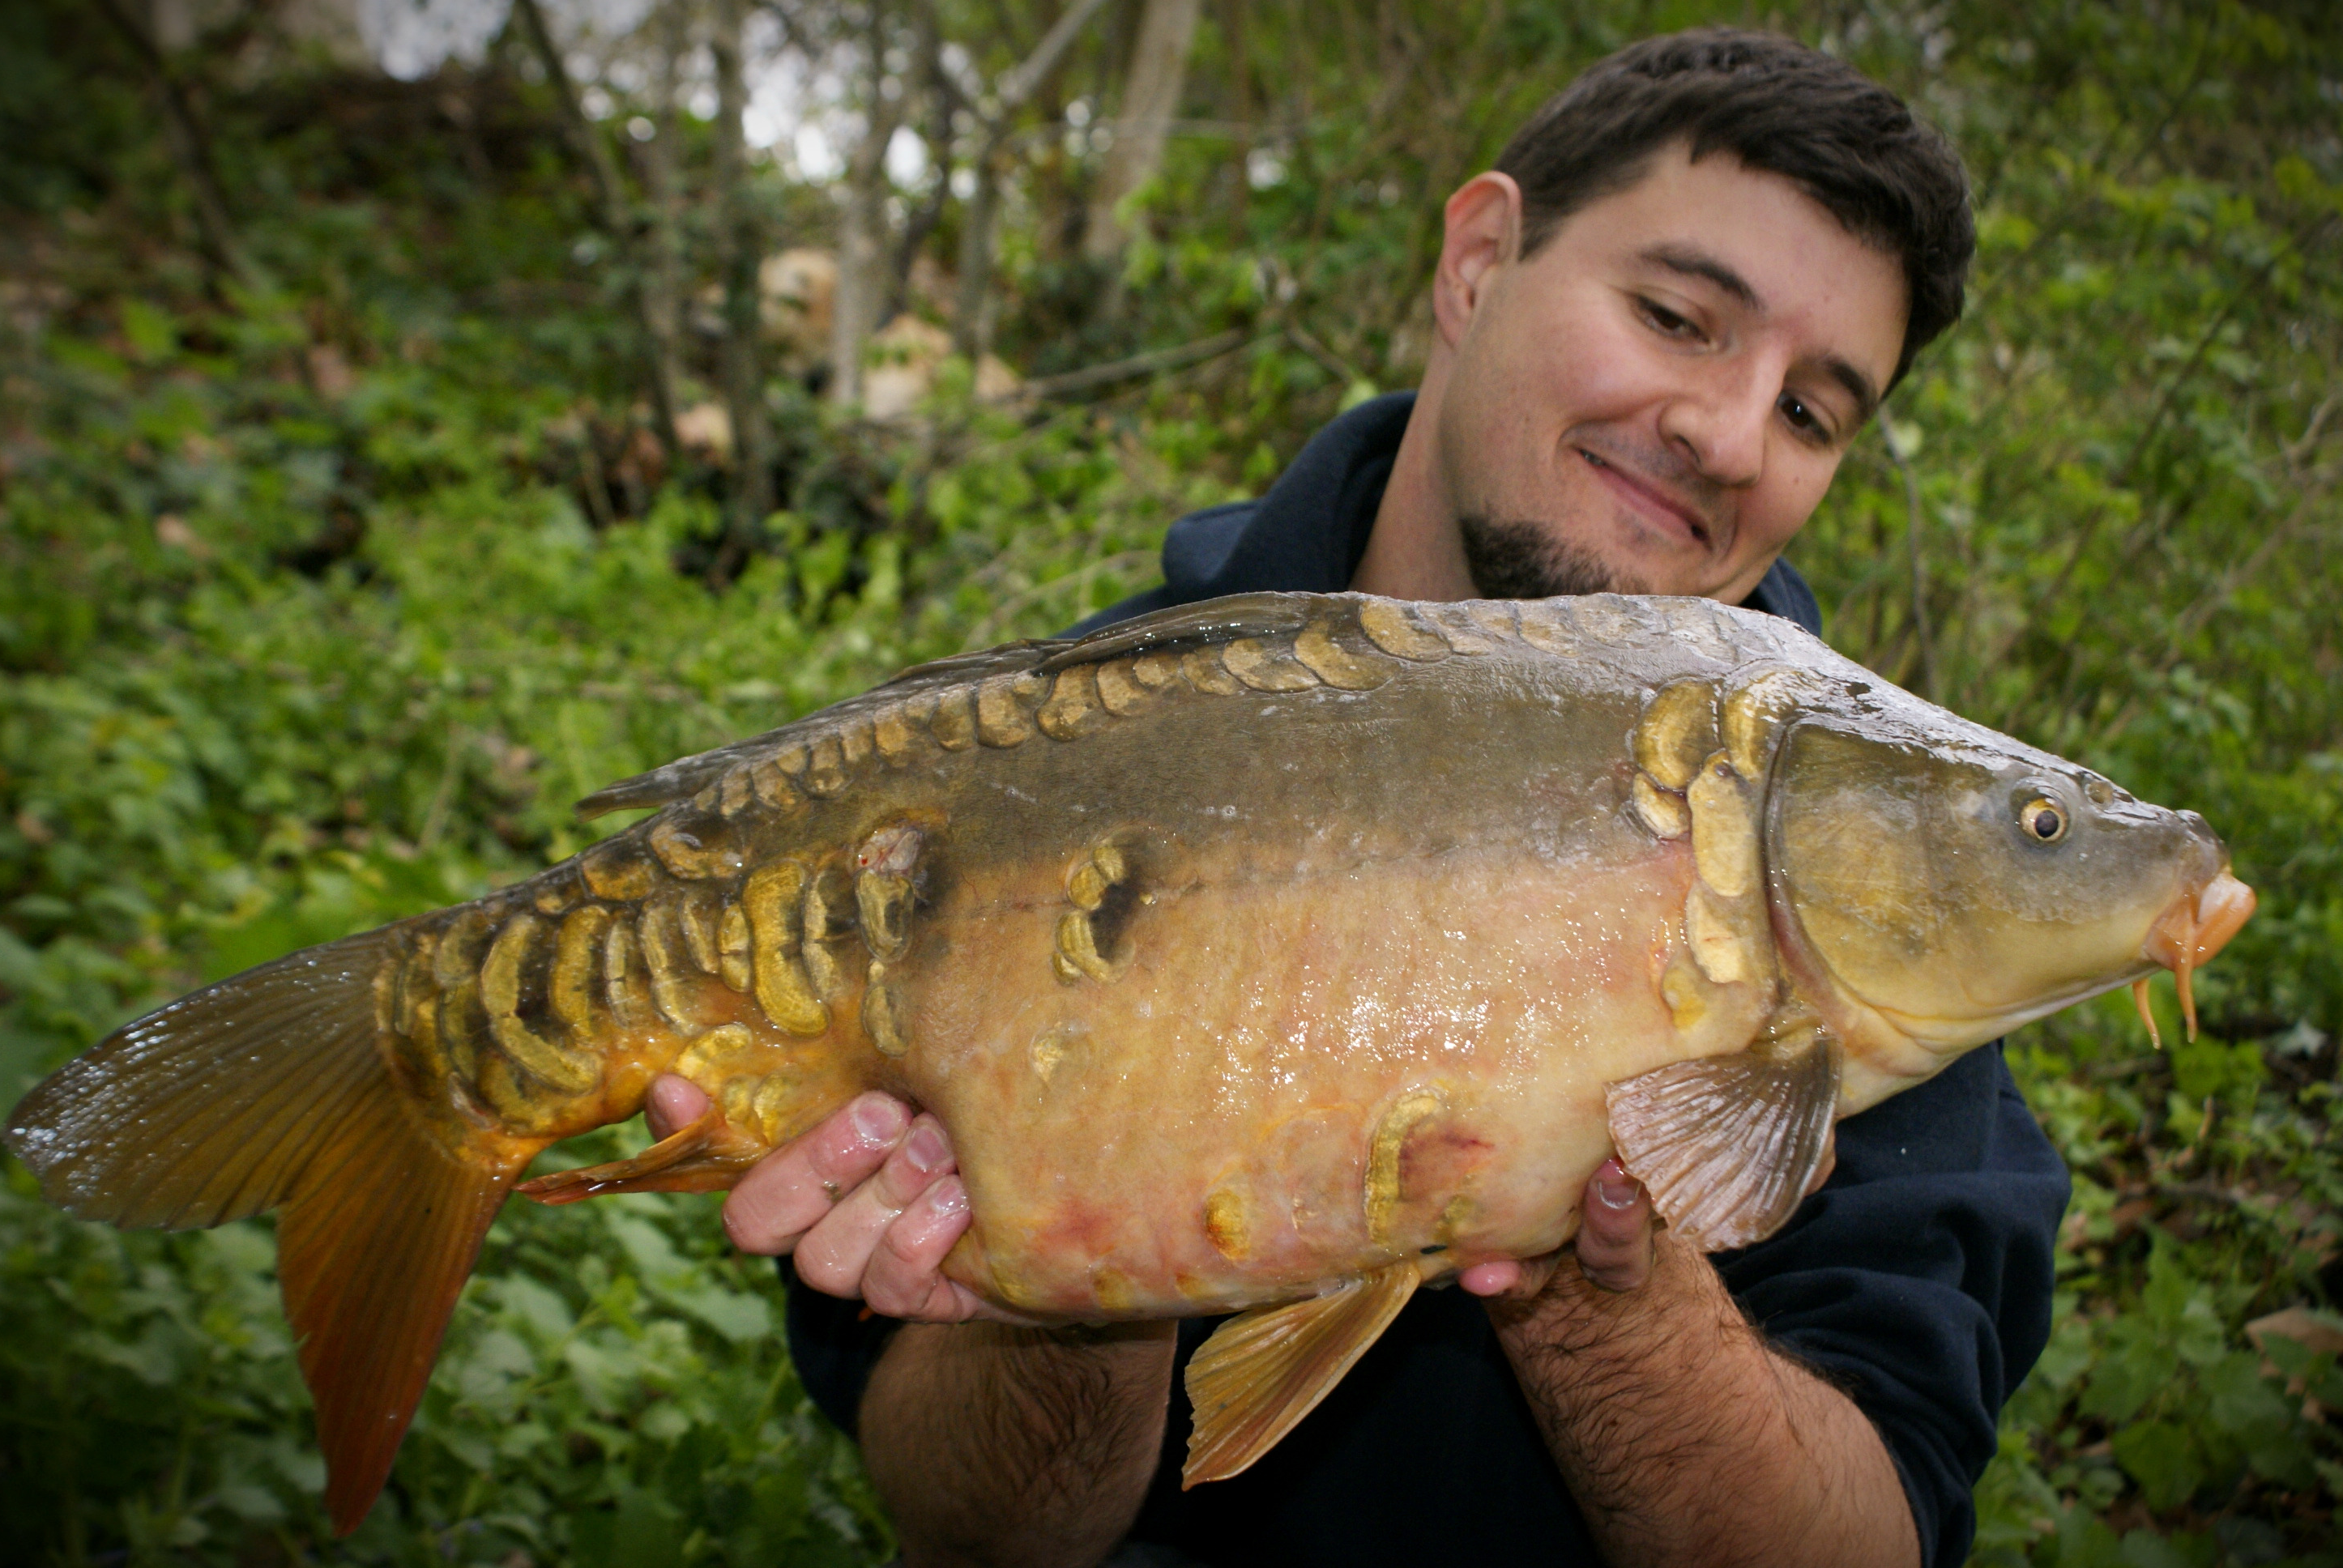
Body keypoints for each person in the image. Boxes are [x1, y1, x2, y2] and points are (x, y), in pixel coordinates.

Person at [647, 28, 2069, 1568]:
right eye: (1677, 316)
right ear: (1476, 262)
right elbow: (983, 1529)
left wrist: (1582, 1258)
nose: (1729, 434)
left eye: (1812, 414)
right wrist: (1092, 1251)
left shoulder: (1871, 893)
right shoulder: (1048, 763)